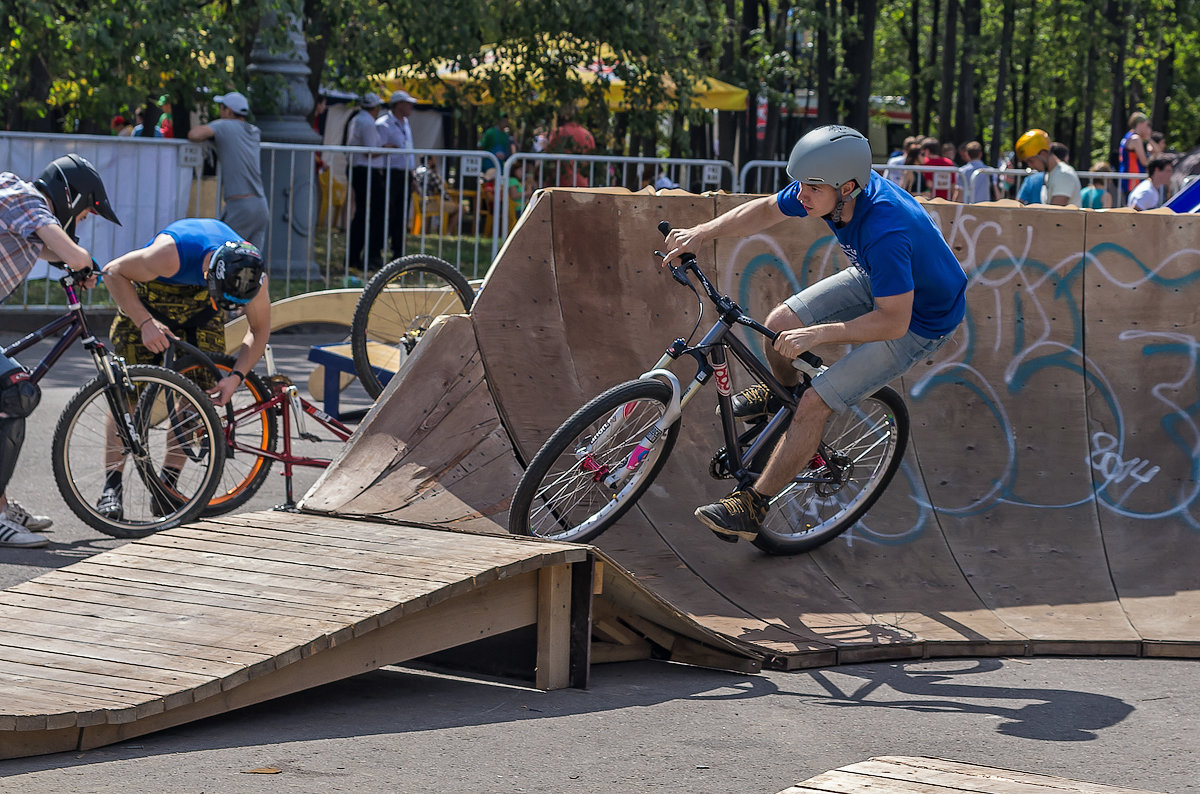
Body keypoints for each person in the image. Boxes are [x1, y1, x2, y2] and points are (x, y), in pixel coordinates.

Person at [662, 125, 967, 541]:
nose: (802, 196)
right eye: (800, 185)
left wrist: (818, 335)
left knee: (813, 403)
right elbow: (767, 209)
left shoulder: (887, 229)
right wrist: (699, 232)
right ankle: (777, 394)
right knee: (779, 324)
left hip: (919, 321)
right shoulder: (830, 186)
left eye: (812, 189)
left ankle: (753, 504)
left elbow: (893, 321)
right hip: (876, 278)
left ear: (847, 189)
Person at [98, 219, 270, 519]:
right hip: (149, 302)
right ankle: (111, 487)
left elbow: (260, 328)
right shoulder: (169, 254)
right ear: (208, 274)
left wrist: (235, 378)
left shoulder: (251, 274)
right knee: (128, 395)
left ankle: (168, 487)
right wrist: (145, 323)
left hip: (204, 311)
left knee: (195, 399)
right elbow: (113, 272)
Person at [0, 154, 121, 547]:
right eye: (84, 215)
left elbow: (50, 250)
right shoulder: (24, 199)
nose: (80, 222)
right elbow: (65, 249)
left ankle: (1, 505)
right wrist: (85, 262)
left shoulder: (21, 207)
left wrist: (81, 264)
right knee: (14, 392)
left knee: (9, 394)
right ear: (71, 197)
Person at [187, 91, 270, 251]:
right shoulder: (253, 131)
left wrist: (214, 136)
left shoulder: (224, 125)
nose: (219, 111)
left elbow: (194, 134)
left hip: (241, 206)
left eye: (221, 107)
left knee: (222, 255)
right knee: (253, 263)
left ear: (229, 111)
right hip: (260, 206)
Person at [376, 90, 417, 262]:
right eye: (408, 103)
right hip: (389, 173)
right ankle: (377, 251)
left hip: (404, 174)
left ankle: (398, 253)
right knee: (386, 213)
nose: (411, 107)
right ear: (399, 104)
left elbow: (409, 150)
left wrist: (412, 174)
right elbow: (376, 149)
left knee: (401, 215)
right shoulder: (383, 124)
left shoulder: (406, 123)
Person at [346, 92, 385, 270]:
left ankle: (356, 256)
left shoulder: (357, 118)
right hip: (365, 171)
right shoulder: (367, 122)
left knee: (363, 213)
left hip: (359, 169)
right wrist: (389, 149)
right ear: (375, 108)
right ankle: (364, 256)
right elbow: (372, 150)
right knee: (369, 214)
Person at [1014, 130, 1081, 206]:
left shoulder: (1063, 174)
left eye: (1031, 161)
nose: (1030, 166)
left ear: (1043, 154)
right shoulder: (1052, 173)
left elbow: (1054, 213)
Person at [547, 108, 595, 187]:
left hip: (560, 181)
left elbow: (549, 154)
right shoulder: (587, 135)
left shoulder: (558, 133)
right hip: (581, 182)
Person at [1119, 112, 1152, 193]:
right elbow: (1144, 162)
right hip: (1133, 181)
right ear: (1140, 124)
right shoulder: (1136, 139)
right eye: (1146, 125)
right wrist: (1154, 159)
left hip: (1127, 178)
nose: (1147, 128)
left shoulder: (1128, 136)